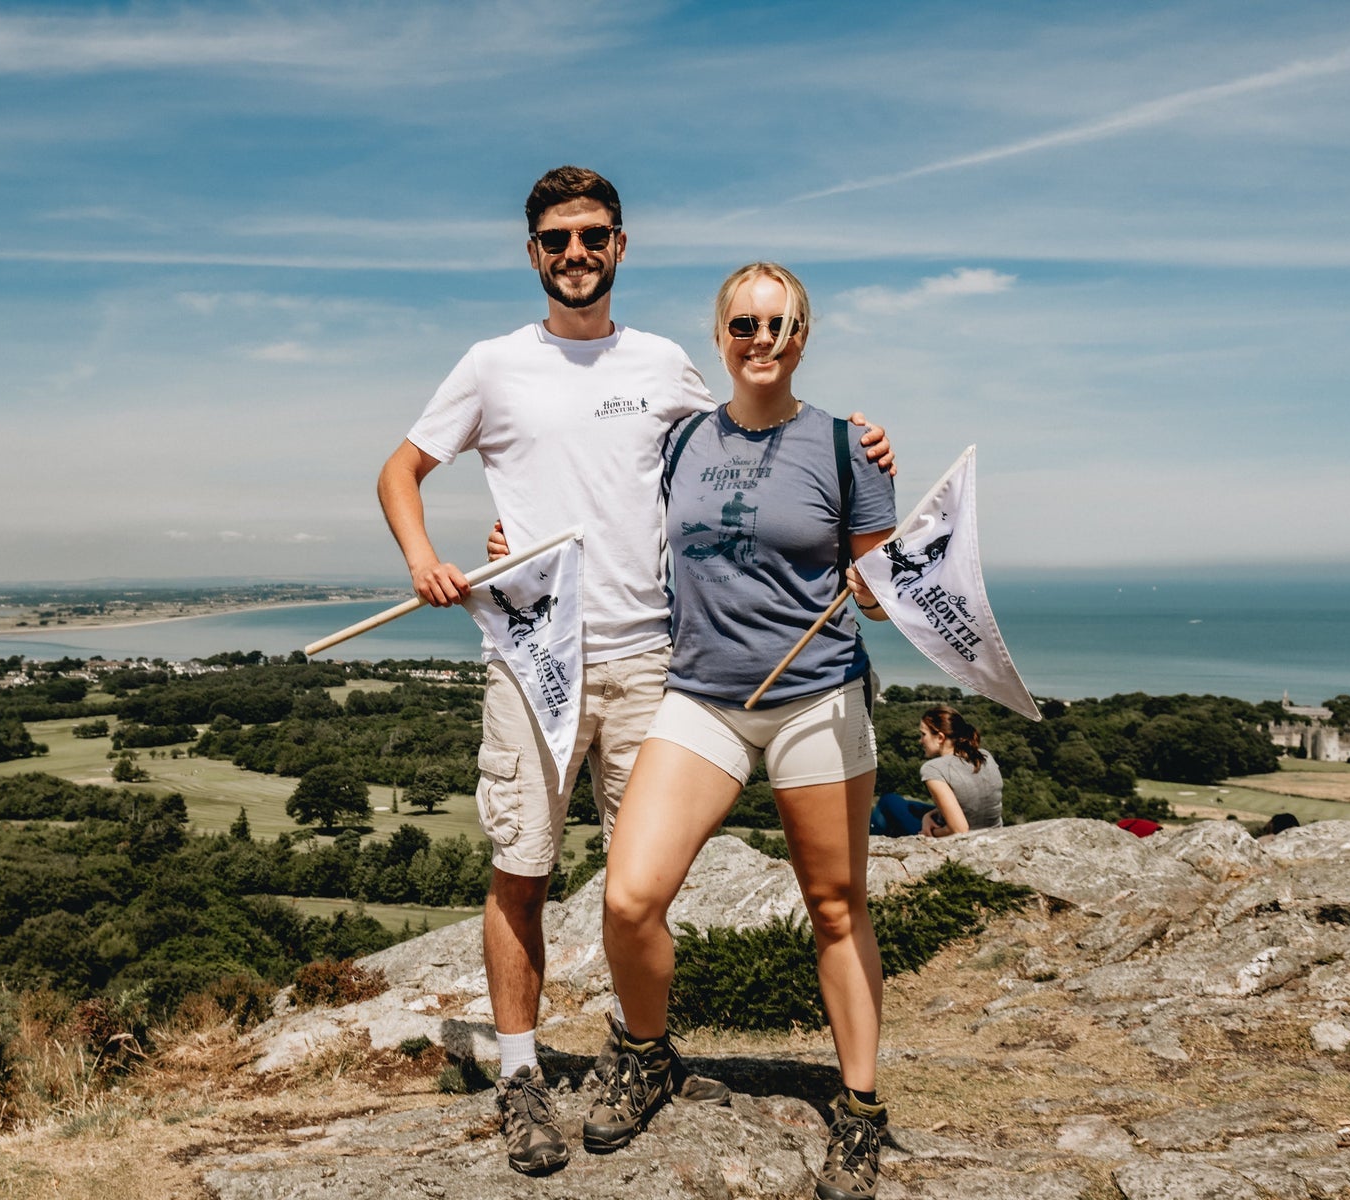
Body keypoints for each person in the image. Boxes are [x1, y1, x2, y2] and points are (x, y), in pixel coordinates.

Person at [376, 168, 895, 1176]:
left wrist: (857, 448)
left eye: (594, 236)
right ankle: (522, 1081)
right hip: (534, 655)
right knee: (521, 869)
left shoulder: (666, 368)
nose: (576, 254)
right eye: (557, 240)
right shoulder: (490, 365)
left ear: (621, 245)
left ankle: (640, 1052)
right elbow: (400, 469)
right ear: (533, 253)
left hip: (657, 655)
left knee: (633, 887)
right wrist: (431, 558)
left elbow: (748, 451)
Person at [584, 261, 897, 1200]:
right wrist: (502, 545)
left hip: (816, 695)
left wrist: (873, 590)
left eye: (781, 326)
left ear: (804, 336)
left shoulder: (848, 447)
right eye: (745, 326)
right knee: (630, 896)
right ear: (719, 337)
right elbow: (604, 514)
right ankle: (646, 1052)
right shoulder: (682, 442)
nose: (763, 342)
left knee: (835, 907)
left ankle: (859, 1110)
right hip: (704, 696)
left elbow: (886, 594)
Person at [872, 705, 1004, 838]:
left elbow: (960, 829)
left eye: (924, 734)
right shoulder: (984, 755)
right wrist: (927, 816)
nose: (921, 740)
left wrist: (928, 832)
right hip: (991, 831)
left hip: (962, 839)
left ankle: (866, 846)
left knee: (888, 801)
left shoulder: (934, 768)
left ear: (940, 738)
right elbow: (969, 802)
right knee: (908, 806)